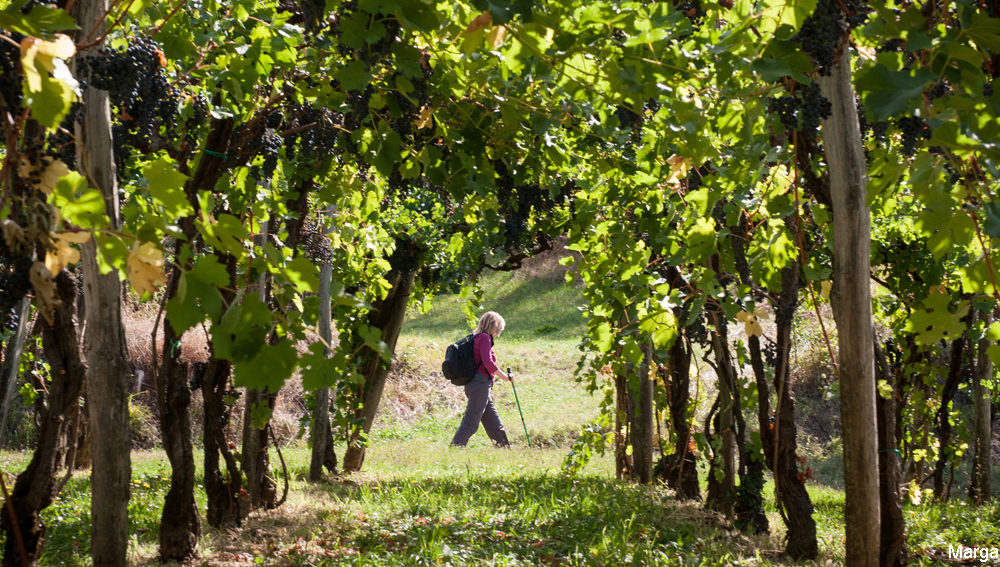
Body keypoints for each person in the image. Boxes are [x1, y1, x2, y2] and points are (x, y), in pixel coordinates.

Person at [450, 311, 512, 447]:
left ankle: (504, 448)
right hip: (480, 384)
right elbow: (488, 363)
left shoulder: (475, 337)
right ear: (494, 327)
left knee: (493, 420)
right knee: (471, 421)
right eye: (498, 329)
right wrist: (506, 377)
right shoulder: (484, 338)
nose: (498, 333)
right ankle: (456, 447)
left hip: (477, 384)